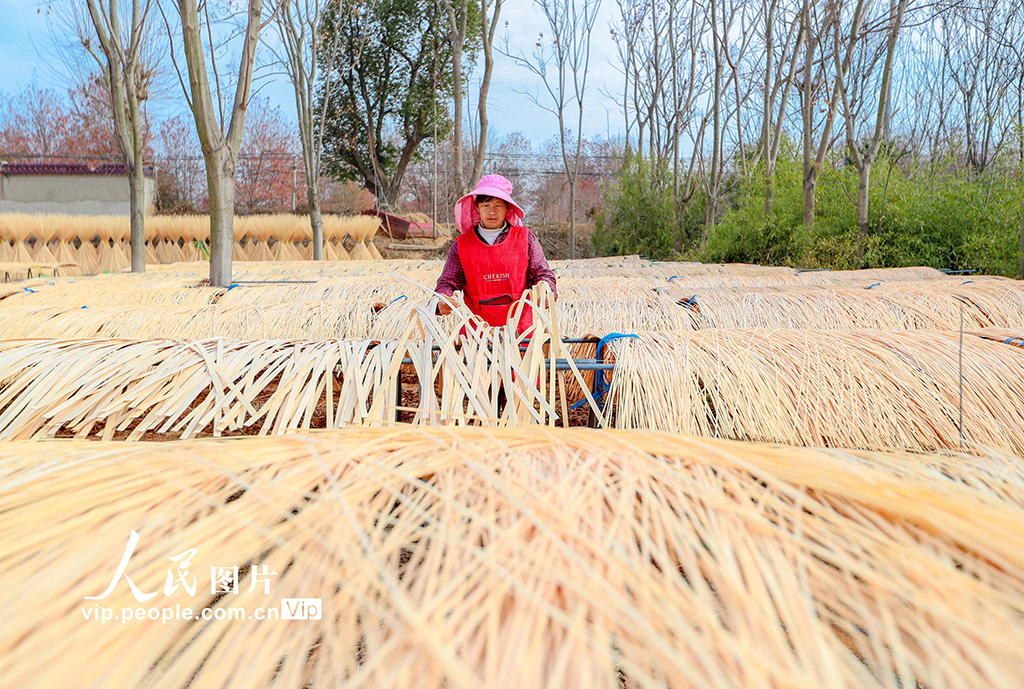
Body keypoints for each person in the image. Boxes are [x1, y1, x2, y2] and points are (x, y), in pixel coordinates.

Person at [435, 174, 556, 335]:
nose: (492, 211)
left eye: (498, 205)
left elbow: (542, 274)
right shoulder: (461, 245)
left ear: (507, 208)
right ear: (477, 207)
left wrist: (546, 292)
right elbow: (448, 283)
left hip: (521, 335)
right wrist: (442, 301)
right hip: (476, 337)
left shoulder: (526, 239)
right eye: (486, 205)